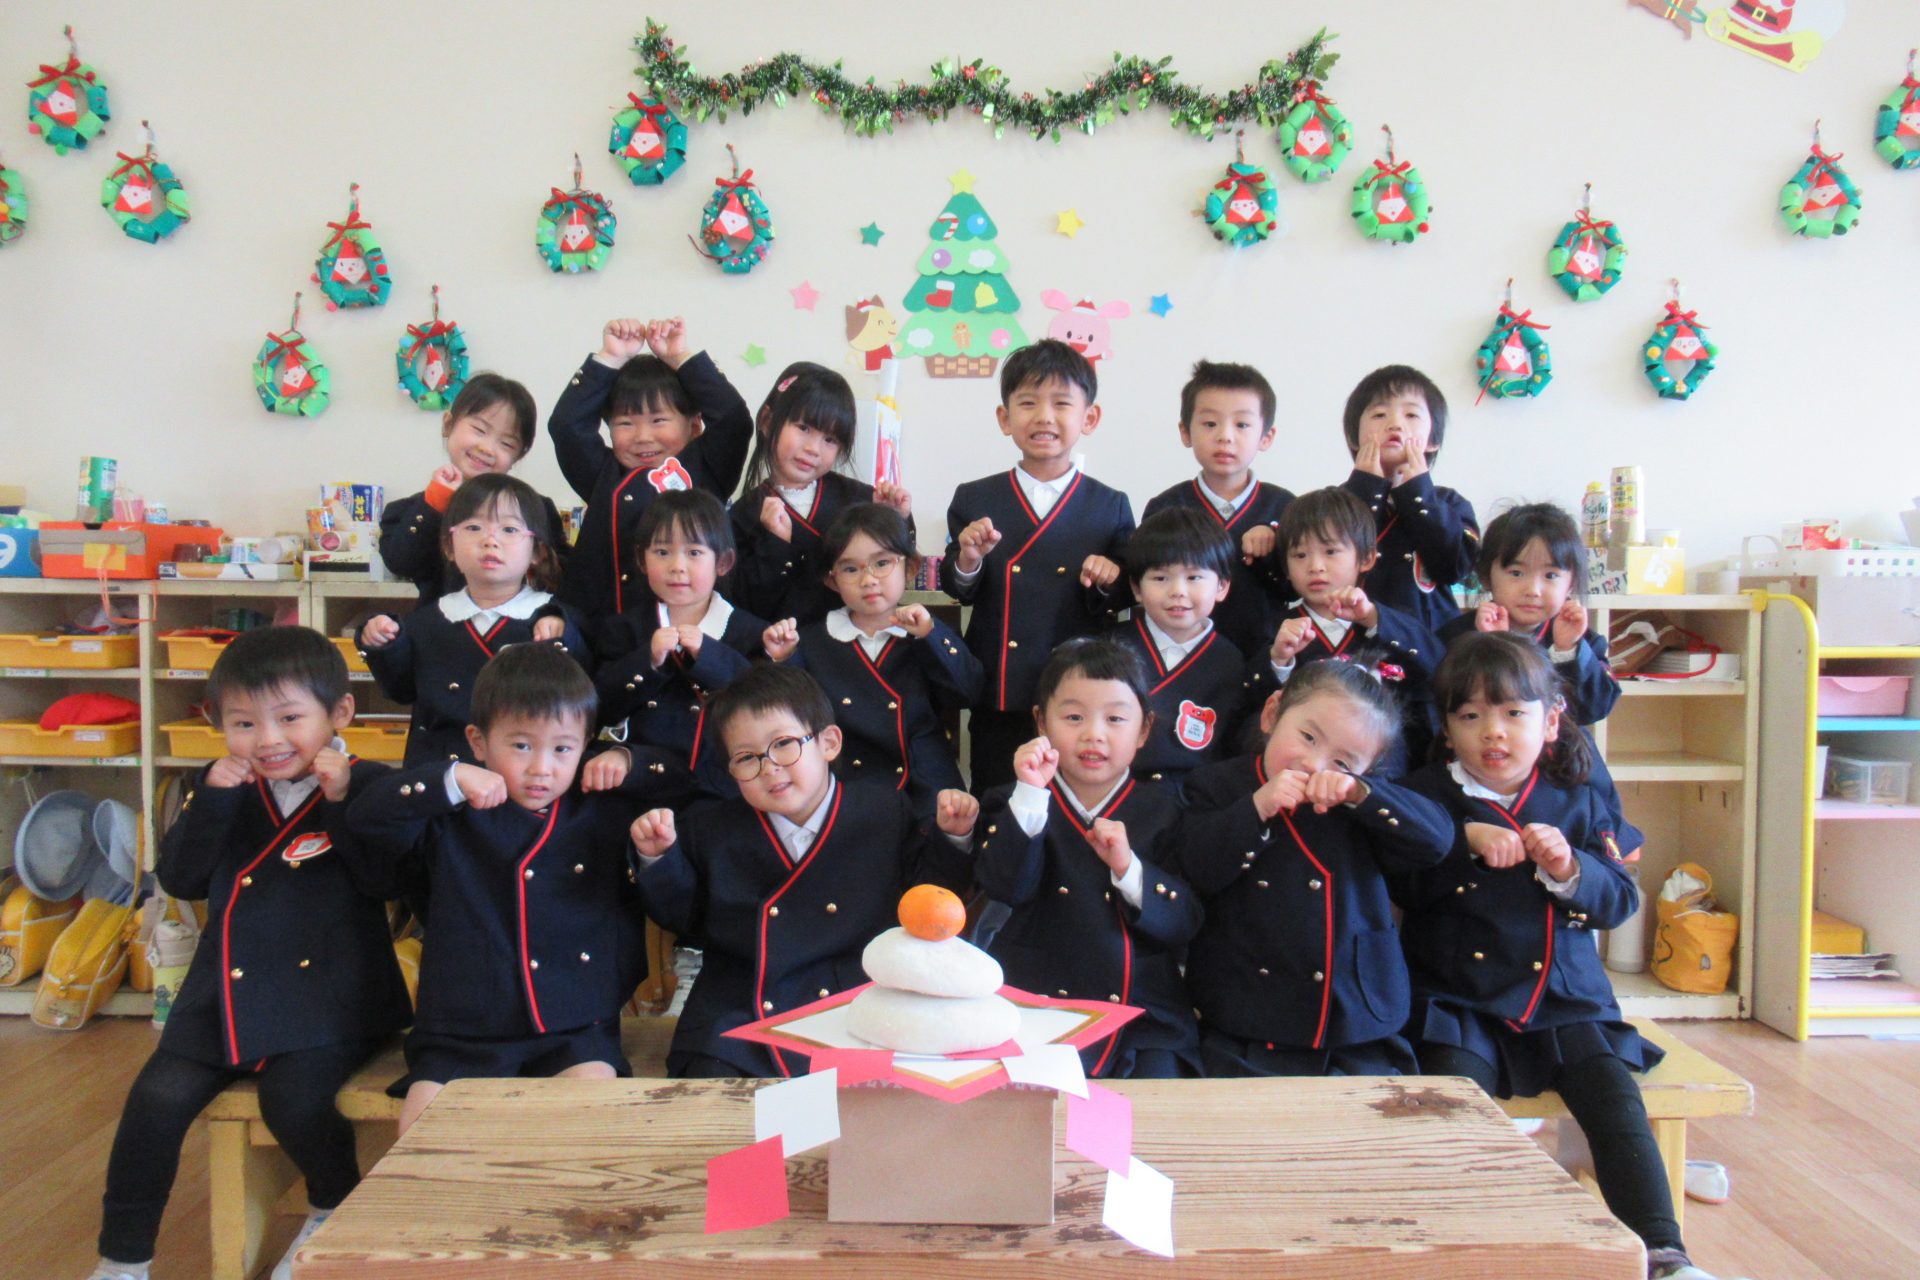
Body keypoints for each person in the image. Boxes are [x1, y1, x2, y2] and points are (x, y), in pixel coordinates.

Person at [87, 628, 410, 1280]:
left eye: (289, 718)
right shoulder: (219, 788)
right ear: (218, 724)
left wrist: (341, 802)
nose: (267, 740)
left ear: (340, 713)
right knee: (154, 1103)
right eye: (243, 723)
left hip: (331, 1000)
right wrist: (212, 799)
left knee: (293, 1103)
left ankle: (330, 1207)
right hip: (222, 996)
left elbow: (389, 883)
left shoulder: (370, 781)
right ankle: (122, 1260)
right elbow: (181, 879)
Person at [1398, 633, 1719, 1280]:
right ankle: (1460, 1250)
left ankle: (1664, 1252)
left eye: (1513, 713)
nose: (1493, 731)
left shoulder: (1578, 798)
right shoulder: (1423, 796)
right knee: (1451, 1105)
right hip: (1460, 1000)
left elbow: (1618, 900)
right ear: (1447, 729)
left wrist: (1571, 869)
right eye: (1470, 715)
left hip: (1563, 996)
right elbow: (1396, 889)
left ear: (1550, 723)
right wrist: (1459, 842)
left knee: (1614, 1102)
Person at [347, 644, 692, 1135]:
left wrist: (626, 759)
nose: (541, 768)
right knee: (422, 1138)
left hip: (574, 1028)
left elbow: (687, 780)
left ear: (585, 746)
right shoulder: (449, 810)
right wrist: (447, 779)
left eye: (563, 749)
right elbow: (366, 816)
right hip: (461, 1030)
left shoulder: (602, 808)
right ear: (478, 741)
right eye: (522, 746)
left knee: (589, 1126)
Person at [627, 664, 978, 1077]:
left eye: (784, 744)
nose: (770, 767)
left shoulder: (884, 810)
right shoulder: (711, 828)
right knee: (708, 1089)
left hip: (857, 1000)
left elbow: (927, 898)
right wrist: (658, 859)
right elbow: (682, 917)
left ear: (829, 743)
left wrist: (953, 837)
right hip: (741, 1006)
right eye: (746, 758)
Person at [1175, 656, 1450, 1077]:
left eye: (1343, 762)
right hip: (1247, 1014)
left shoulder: (1363, 802)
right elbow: (1197, 869)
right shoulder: (1217, 785)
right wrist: (1257, 808)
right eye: (1307, 737)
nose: (1315, 764)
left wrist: (1361, 794)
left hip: (1352, 1014)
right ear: (1272, 713)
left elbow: (1437, 842)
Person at [972, 638, 1202, 1078]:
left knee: (1161, 1097)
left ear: (1144, 730)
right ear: (1041, 722)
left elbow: (1183, 922)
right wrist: (1030, 794)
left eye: (1115, 718)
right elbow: (1005, 887)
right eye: (1074, 717)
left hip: (1141, 1014)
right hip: (1034, 1004)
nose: (1094, 734)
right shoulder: (1012, 800)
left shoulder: (1168, 808)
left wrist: (1128, 870)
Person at [941, 338, 1134, 792]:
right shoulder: (975, 497)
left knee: (1075, 800)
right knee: (997, 797)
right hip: (999, 689)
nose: (1044, 416)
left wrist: (1108, 579)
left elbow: (1125, 594)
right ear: (1005, 418)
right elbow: (958, 588)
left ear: (1089, 418)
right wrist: (968, 559)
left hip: (1080, 694)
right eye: (1028, 403)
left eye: (1061, 404)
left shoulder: (1109, 505)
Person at [762, 503, 979, 818]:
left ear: (911, 568)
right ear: (832, 580)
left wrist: (930, 635)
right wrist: (783, 659)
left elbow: (967, 693)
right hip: (848, 786)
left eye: (882, 563)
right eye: (851, 569)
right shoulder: (812, 641)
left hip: (927, 784)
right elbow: (793, 715)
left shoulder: (925, 630)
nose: (868, 579)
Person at [358, 474, 589, 766]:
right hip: (440, 773)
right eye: (473, 527)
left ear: (537, 552)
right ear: (449, 547)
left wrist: (563, 638)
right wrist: (383, 643)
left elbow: (582, 691)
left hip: (525, 774)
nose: (490, 540)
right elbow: (400, 690)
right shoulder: (427, 620)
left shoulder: (557, 619)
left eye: (509, 529)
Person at [549, 316, 752, 622]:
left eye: (659, 420)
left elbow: (733, 419)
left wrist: (680, 358)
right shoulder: (603, 474)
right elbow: (567, 426)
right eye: (625, 423)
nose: (643, 436)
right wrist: (610, 358)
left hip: (694, 632)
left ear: (694, 425)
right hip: (605, 633)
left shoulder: (707, 468)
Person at [728, 361, 914, 627]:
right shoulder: (743, 515)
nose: (813, 449)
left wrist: (897, 518)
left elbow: (896, 571)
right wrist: (775, 545)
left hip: (856, 642)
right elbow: (743, 604)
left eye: (830, 439)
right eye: (803, 428)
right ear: (767, 421)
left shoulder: (859, 498)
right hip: (782, 647)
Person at [1140, 358, 1294, 656]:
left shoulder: (1285, 507)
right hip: (1180, 656)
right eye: (1210, 424)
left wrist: (1271, 549)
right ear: (1185, 432)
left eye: (1242, 425)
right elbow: (1147, 585)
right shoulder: (1166, 508)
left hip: (1265, 656)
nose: (1225, 436)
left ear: (1266, 436)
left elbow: (1296, 587)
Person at [378, 373, 567, 605]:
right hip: (443, 625)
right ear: (448, 424)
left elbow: (560, 579)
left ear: (519, 455)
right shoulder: (413, 509)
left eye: (506, 443)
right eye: (479, 430)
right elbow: (400, 562)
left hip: (520, 625)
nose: (487, 448)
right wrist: (435, 503)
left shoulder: (537, 509)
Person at [1109, 507, 1251, 786]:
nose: (1177, 591)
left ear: (1222, 586)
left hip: (1196, 795)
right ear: (1136, 589)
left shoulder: (1229, 660)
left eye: (1194, 577)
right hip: (1119, 789)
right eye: (1160, 578)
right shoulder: (1112, 649)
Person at [1338, 364, 1479, 634]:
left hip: (1435, 640)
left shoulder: (1450, 502)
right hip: (1354, 638)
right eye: (1379, 414)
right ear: (1354, 438)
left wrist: (1418, 492)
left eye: (1411, 414)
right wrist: (1366, 488)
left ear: (1433, 441)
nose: (1395, 424)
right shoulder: (1334, 502)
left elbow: (1455, 568)